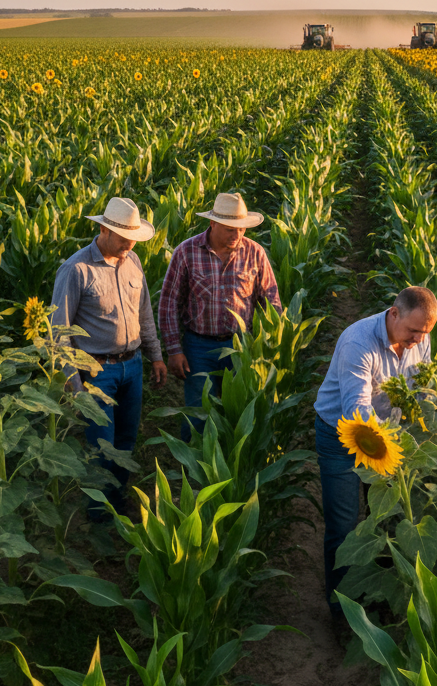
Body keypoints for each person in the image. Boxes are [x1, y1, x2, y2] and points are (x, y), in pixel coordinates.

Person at [313, 286, 437, 612]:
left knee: (382, 521)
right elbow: (358, 412)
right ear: (393, 313)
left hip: (388, 437)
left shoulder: (420, 338)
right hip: (341, 435)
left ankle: (374, 597)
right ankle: (340, 609)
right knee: (344, 526)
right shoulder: (359, 342)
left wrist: (428, 429)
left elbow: (422, 392)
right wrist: (391, 451)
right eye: (413, 331)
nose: (417, 340)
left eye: (425, 333)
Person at [52, 196, 167, 510]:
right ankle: (99, 513)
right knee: (102, 445)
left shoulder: (133, 261)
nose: (129, 245)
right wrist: (75, 388)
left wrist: (155, 355)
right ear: (104, 230)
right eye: (123, 239)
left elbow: (144, 313)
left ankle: (118, 498)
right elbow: (59, 332)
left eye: (133, 240)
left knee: (126, 441)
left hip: (133, 366)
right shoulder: (76, 269)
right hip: (97, 372)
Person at [158, 192, 281, 429]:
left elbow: (271, 302)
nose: (237, 235)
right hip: (198, 346)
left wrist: (268, 346)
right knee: (198, 414)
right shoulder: (187, 252)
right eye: (230, 229)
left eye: (241, 229)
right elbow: (169, 303)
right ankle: (193, 461)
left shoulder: (255, 253)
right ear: (212, 223)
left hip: (240, 346)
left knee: (238, 416)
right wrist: (174, 350)